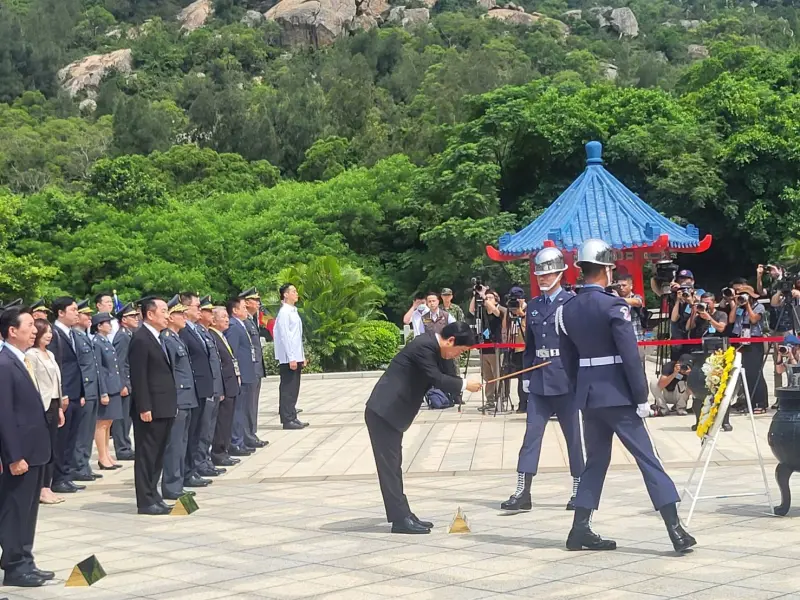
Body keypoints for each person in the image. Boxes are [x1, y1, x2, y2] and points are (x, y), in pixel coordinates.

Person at [558, 238, 695, 553]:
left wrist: (583, 390)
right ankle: (675, 530)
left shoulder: (566, 310)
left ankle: (580, 529)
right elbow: (630, 356)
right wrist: (641, 397)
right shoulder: (614, 306)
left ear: (582, 269)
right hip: (619, 395)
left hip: (590, 396)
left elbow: (568, 361)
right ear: (606, 270)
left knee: (596, 462)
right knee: (648, 459)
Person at [365, 322, 481, 534]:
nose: (457, 355)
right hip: (383, 412)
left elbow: (447, 376)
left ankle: (404, 513)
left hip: (393, 414)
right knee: (389, 469)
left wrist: (464, 385)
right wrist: (465, 384)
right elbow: (436, 379)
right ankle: (400, 520)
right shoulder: (424, 346)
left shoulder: (438, 349)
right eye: (460, 351)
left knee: (394, 465)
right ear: (451, 341)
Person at [500, 247, 584, 512]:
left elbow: (579, 344)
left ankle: (579, 489)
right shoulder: (534, 305)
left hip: (565, 378)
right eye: (540, 274)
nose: (542, 278)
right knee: (531, 436)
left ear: (560, 273)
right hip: (539, 379)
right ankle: (523, 492)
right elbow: (531, 345)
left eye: (548, 274)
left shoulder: (571, 303)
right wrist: (526, 373)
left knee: (573, 437)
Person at [0, 306, 54, 587]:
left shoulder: (21, 360)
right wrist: (13, 455)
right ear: (12, 330)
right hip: (20, 454)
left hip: (34, 450)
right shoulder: (4, 363)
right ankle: (14, 566)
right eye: (30, 325)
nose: (35, 330)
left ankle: (26, 559)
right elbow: (4, 414)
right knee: (15, 510)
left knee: (29, 510)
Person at [129, 296, 176, 515]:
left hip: (164, 406)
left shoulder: (157, 337)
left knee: (157, 454)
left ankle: (153, 494)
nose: (168, 315)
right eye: (164, 311)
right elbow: (139, 376)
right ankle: (145, 501)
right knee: (147, 454)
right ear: (150, 314)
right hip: (151, 409)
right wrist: (144, 407)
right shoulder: (141, 338)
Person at [161, 296, 207, 501]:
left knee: (183, 442)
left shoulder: (177, 338)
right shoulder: (167, 340)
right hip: (179, 398)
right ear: (170, 317)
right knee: (175, 444)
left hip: (188, 397)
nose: (183, 317)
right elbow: (169, 373)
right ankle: (171, 485)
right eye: (179, 314)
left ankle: (178, 482)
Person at [179, 293, 224, 482]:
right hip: (194, 390)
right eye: (197, 306)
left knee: (201, 430)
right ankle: (191, 469)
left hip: (204, 389)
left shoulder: (197, 330)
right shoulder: (183, 332)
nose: (200, 310)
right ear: (185, 308)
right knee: (192, 434)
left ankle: (196, 466)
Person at [47, 297, 87, 496]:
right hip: (64, 395)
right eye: (72, 310)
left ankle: (67, 475)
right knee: (61, 440)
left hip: (74, 394)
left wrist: (80, 392)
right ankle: (58, 478)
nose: (77, 313)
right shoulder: (54, 334)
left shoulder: (72, 334)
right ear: (61, 313)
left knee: (71, 438)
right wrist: (62, 394)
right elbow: (56, 368)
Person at [26, 319, 67, 505]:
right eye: (45, 332)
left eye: (50, 332)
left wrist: (59, 407)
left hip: (53, 403)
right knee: (43, 447)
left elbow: (56, 382)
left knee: (52, 447)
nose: (49, 335)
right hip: (41, 405)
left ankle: (47, 486)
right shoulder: (31, 355)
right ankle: (41, 488)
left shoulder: (49, 353)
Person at [71, 299, 106, 483]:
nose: (89, 318)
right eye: (86, 314)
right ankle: (78, 466)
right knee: (81, 431)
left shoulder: (85, 336)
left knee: (88, 431)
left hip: (92, 388)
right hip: (85, 389)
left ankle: (84, 464)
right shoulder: (75, 337)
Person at [195, 295, 226, 475]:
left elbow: (216, 363)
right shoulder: (198, 332)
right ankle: (200, 462)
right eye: (207, 311)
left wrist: (219, 387)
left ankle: (205, 461)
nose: (211, 314)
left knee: (209, 428)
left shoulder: (206, 332)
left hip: (214, 388)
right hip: (206, 389)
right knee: (203, 429)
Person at [226, 297, 261, 454]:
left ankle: (241, 440)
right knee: (238, 411)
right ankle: (236, 442)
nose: (246, 310)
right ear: (235, 310)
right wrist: (237, 373)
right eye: (243, 307)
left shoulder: (241, 325)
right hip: (242, 374)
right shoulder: (233, 327)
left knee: (243, 409)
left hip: (248, 373)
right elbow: (232, 353)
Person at [273, 283, 310, 430]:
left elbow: (296, 338)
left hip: (295, 356)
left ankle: (293, 416)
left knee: (294, 387)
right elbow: (285, 337)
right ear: (285, 295)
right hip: (288, 358)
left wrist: (301, 356)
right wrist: (291, 357)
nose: (296, 294)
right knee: (288, 388)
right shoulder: (284, 313)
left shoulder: (293, 311)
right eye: (293, 291)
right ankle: (287, 419)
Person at [728, 282, 768, 413]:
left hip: (755, 342)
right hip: (741, 342)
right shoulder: (740, 308)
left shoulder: (759, 306)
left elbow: (754, 319)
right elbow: (731, 320)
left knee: (755, 372)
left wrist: (748, 305)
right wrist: (736, 304)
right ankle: (749, 401)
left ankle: (761, 402)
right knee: (745, 373)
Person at [91, 313, 124, 471]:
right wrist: (103, 392)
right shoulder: (97, 342)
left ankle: (107, 456)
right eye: (107, 323)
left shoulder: (106, 341)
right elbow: (99, 369)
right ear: (99, 326)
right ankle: (102, 457)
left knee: (109, 422)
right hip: (107, 388)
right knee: (102, 424)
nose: (110, 326)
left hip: (113, 385)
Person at [209, 306, 241, 468]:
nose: (227, 319)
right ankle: (218, 453)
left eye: (227, 316)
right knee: (222, 422)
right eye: (222, 317)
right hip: (224, 386)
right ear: (213, 320)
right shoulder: (212, 336)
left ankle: (225, 450)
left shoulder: (222, 335)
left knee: (227, 421)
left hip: (231, 384)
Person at [240, 288, 268, 449]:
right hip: (250, 369)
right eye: (255, 300)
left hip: (256, 368)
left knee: (253, 403)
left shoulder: (251, 320)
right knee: (247, 404)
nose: (258, 303)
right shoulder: (244, 321)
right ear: (246, 302)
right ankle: (247, 435)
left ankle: (251, 433)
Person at [469, 289, 507, 406]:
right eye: (487, 297)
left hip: (496, 347)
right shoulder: (482, 311)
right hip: (483, 348)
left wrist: (485, 296)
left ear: (496, 300)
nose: (487, 299)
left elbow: (495, 311)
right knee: (487, 376)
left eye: (491, 298)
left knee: (497, 375)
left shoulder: (501, 310)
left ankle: (501, 398)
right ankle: (490, 400)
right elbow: (471, 310)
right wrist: (476, 294)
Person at [111, 302, 139, 461]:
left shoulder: (128, 334)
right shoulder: (122, 336)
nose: (136, 318)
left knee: (127, 418)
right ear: (123, 320)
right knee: (121, 418)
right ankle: (122, 448)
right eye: (131, 316)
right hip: (125, 383)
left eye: (136, 316)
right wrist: (122, 383)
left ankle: (126, 445)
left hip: (130, 381)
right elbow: (120, 362)